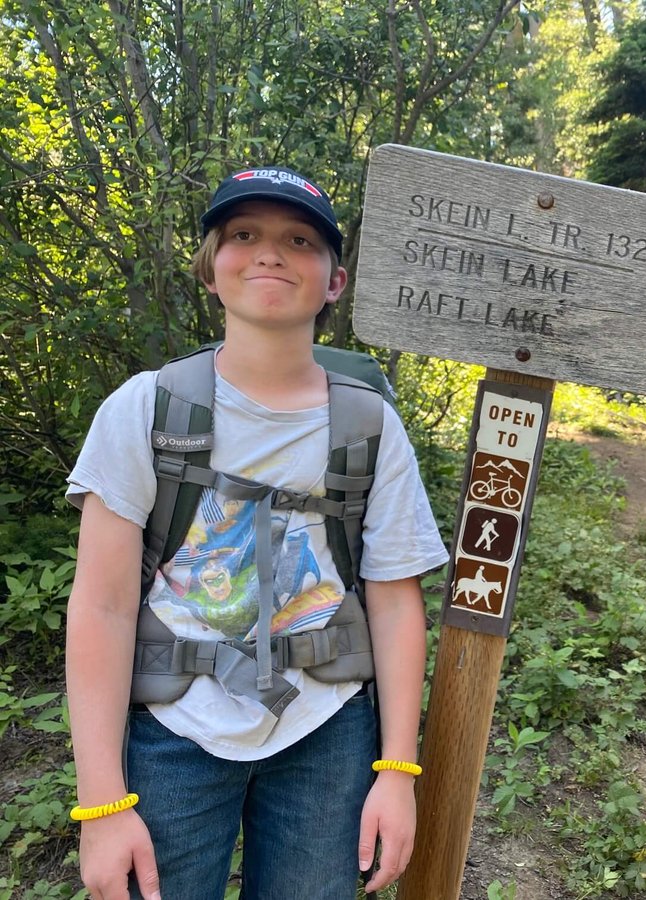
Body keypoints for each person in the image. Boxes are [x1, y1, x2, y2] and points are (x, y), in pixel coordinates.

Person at [64, 166, 449, 899]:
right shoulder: (144, 411)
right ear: (212, 266)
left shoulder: (369, 426)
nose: (270, 253)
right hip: (173, 733)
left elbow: (397, 604)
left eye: (300, 240)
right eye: (243, 234)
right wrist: (102, 805)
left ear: (335, 281)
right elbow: (102, 608)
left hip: (328, 735)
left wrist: (397, 772)